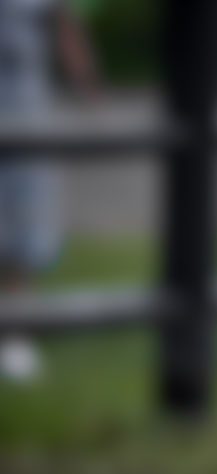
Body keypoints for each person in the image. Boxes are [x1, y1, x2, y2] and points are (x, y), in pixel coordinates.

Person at [0, 0, 97, 381]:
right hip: (24, 95)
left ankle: (15, 335)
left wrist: (86, 85)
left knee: (23, 215)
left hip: (23, 99)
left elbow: (65, 27)